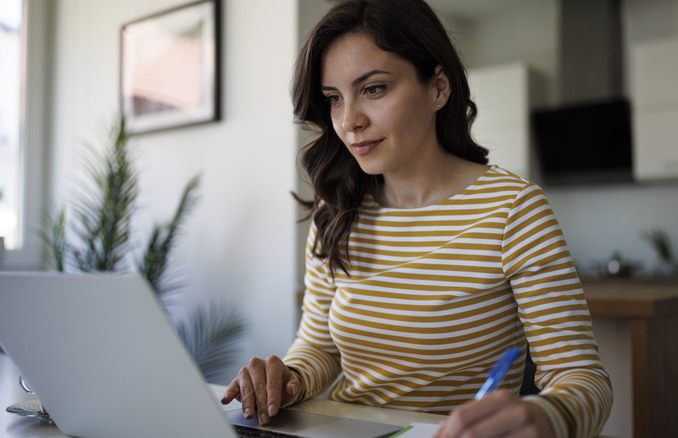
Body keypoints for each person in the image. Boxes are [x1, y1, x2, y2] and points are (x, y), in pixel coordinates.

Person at [221, 0, 613, 437]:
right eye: (334, 99)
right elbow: (319, 348)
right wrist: (287, 379)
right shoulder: (337, 213)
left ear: (438, 89)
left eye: (373, 89)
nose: (349, 121)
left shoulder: (513, 210)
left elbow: (583, 379)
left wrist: (547, 415)